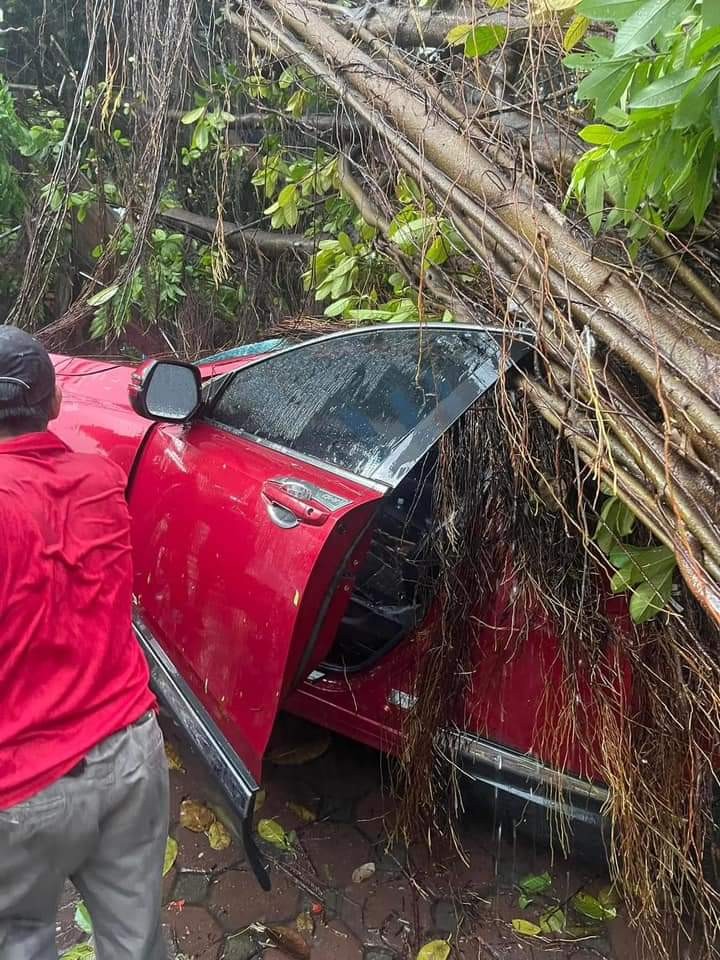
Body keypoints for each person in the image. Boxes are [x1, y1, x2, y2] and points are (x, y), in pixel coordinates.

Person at [0, 325, 169, 960]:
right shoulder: (100, 479)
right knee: (138, 943)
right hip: (131, 757)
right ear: (53, 405)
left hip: (23, 788)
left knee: (20, 941)